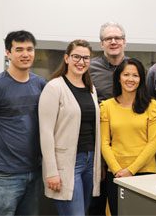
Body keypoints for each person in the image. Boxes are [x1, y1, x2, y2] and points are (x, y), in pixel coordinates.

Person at [0, 30, 46, 216]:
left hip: (33, 171)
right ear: (8, 53)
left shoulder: (40, 84)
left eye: (29, 49)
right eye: (19, 49)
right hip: (4, 175)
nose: (25, 54)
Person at [38, 39, 101, 216]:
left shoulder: (91, 89)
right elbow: (46, 132)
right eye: (76, 57)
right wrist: (51, 171)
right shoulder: (54, 87)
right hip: (67, 164)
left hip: (90, 161)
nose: (81, 62)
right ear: (66, 58)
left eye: (86, 58)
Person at [101, 58, 156, 216]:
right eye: (126, 74)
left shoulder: (153, 106)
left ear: (141, 79)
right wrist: (117, 170)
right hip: (116, 173)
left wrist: (131, 170)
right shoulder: (107, 106)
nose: (130, 79)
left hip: (144, 171)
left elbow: (153, 144)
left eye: (135, 75)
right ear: (119, 78)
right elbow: (104, 143)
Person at [88, 22, 129, 216]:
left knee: (123, 204)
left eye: (117, 38)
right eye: (108, 38)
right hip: (96, 144)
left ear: (124, 42)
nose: (113, 41)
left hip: (127, 144)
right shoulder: (89, 69)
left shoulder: (133, 69)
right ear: (101, 43)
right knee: (95, 201)